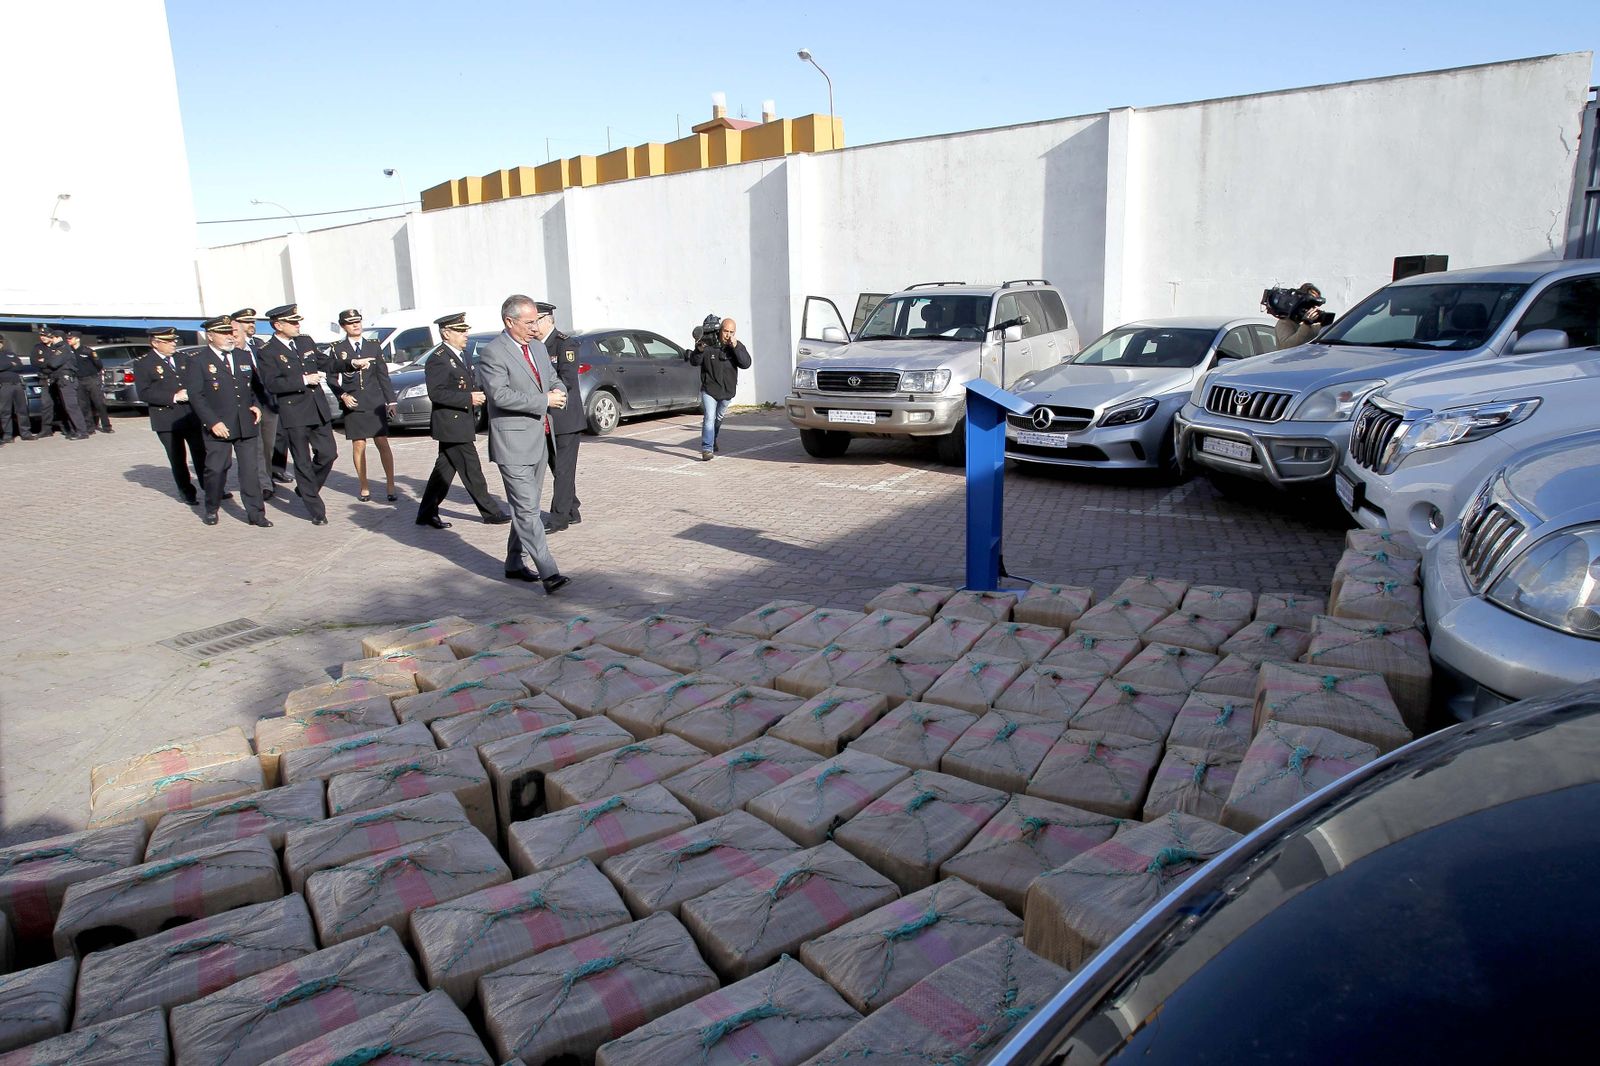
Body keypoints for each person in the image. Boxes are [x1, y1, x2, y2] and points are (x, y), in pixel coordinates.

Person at [476, 295, 569, 593]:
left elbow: (554, 379)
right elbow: (499, 396)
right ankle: (549, 572)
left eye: (537, 322)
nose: (536, 329)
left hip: (541, 438)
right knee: (528, 510)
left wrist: (557, 390)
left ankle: (514, 561)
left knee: (524, 506)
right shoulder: (493, 353)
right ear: (509, 321)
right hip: (512, 443)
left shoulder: (539, 348)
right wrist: (544, 400)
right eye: (529, 323)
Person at [414, 313, 511, 530]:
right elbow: (436, 394)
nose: (466, 334)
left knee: (444, 470)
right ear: (446, 333)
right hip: (451, 424)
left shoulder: (463, 355)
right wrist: (468, 398)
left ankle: (426, 512)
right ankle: (490, 512)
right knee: (471, 468)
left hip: (461, 421)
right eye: (460, 331)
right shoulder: (438, 358)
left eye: (465, 329)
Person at [183, 315, 270, 527]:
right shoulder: (198, 361)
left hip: (245, 423)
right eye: (223, 333)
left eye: (230, 332)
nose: (230, 337)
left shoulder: (242, 357)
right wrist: (212, 422)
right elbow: (196, 396)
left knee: (250, 472)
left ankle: (256, 514)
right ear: (210, 336)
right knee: (216, 469)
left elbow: (257, 388)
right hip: (218, 427)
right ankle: (212, 507)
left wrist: (256, 406)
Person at [257, 303, 337, 525]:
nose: (297, 325)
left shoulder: (305, 341)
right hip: (294, 413)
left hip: (317, 409)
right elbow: (272, 383)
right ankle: (316, 510)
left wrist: (351, 364)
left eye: (297, 321)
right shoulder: (267, 351)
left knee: (328, 454)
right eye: (292, 322)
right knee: (301, 462)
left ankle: (306, 487)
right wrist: (303, 380)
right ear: (278, 325)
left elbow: (326, 362)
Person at [131, 326, 207, 505]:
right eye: (169, 341)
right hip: (166, 418)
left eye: (174, 340)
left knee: (201, 453)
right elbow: (144, 393)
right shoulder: (143, 363)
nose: (174, 344)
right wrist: (173, 397)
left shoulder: (183, 358)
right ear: (155, 343)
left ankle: (210, 487)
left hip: (189, 415)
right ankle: (186, 491)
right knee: (177, 457)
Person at [330, 309, 399, 502]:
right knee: (359, 444)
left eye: (358, 321)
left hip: (374, 401)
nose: (355, 325)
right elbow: (331, 378)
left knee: (382, 442)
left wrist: (391, 400)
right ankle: (364, 486)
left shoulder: (373, 346)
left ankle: (391, 486)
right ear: (343, 326)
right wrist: (342, 395)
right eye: (351, 323)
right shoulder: (337, 348)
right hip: (354, 402)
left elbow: (383, 375)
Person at [233, 307, 289, 492]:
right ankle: (264, 485)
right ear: (236, 325)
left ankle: (269, 474)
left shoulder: (258, 345)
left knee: (269, 443)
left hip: (267, 399)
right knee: (256, 446)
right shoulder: (234, 347)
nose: (251, 324)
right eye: (246, 322)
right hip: (249, 401)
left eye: (253, 321)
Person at [541, 307, 584, 533]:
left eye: (535, 321)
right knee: (558, 468)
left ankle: (558, 519)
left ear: (547, 320)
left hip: (565, 418)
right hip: (545, 418)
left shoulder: (565, 344)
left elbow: (566, 379)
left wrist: (541, 394)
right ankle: (572, 509)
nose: (531, 326)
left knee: (564, 470)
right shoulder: (534, 346)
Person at [688, 314, 751, 460]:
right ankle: (707, 448)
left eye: (731, 332)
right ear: (720, 330)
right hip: (709, 389)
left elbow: (746, 363)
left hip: (727, 390)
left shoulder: (736, 346)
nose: (728, 335)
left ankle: (713, 438)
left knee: (718, 417)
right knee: (709, 417)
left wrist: (736, 347)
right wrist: (699, 350)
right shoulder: (707, 344)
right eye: (725, 331)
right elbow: (694, 361)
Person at [40, 326, 89, 439]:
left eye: (53, 338)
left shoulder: (63, 349)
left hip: (67, 380)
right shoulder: (62, 348)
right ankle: (77, 430)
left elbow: (53, 363)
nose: (52, 340)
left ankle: (82, 431)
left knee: (72, 406)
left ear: (59, 338)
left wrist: (46, 362)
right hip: (63, 380)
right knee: (69, 407)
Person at [67, 331, 112, 433]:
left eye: (70, 338)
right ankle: (90, 427)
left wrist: (95, 377)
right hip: (79, 380)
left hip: (91, 379)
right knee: (84, 405)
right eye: (68, 338)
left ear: (77, 339)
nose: (68, 340)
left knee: (99, 404)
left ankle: (106, 426)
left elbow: (99, 364)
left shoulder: (87, 351)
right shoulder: (69, 352)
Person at [1273, 283, 1333, 348]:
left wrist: (1325, 325)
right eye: (1311, 305)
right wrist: (1306, 324)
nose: (1314, 309)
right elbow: (1287, 345)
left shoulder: (1309, 325)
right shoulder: (1285, 322)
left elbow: (1319, 336)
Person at [0, 339, 33, 442]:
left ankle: (26, 433)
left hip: (18, 385)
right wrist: (11, 364)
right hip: (4, 386)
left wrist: (9, 364)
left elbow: (20, 366)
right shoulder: (10, 358)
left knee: (22, 410)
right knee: (5, 412)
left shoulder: (10, 353)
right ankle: (8, 435)